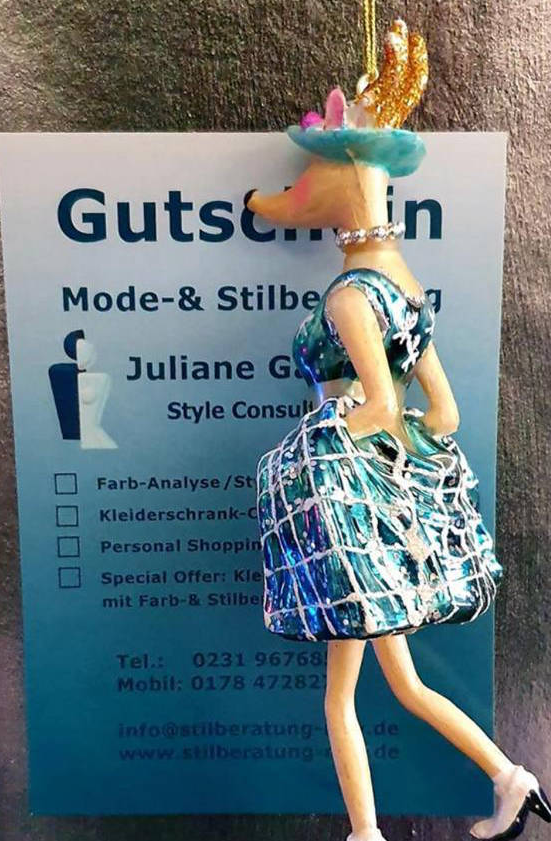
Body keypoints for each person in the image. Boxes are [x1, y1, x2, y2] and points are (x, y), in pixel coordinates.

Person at [249, 19, 550, 841]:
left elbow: (380, 406)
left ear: (344, 179)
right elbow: (439, 414)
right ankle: (511, 777)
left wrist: (322, 452)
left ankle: (368, 834)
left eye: (309, 179)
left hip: (353, 523)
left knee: (342, 696)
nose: (292, 196)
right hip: (377, 518)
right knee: (405, 684)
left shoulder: (351, 296)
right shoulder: (404, 292)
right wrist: (388, 455)